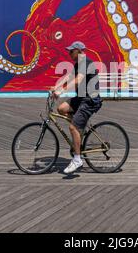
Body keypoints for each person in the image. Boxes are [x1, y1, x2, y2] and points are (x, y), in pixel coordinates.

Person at [51, 41, 103, 174]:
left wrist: (61, 91)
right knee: (61, 109)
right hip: (81, 98)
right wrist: (56, 87)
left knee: (72, 127)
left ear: (78, 51)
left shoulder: (86, 63)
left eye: (71, 51)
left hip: (90, 100)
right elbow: (68, 77)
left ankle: (78, 159)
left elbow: (77, 80)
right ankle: (79, 128)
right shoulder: (78, 63)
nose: (69, 53)